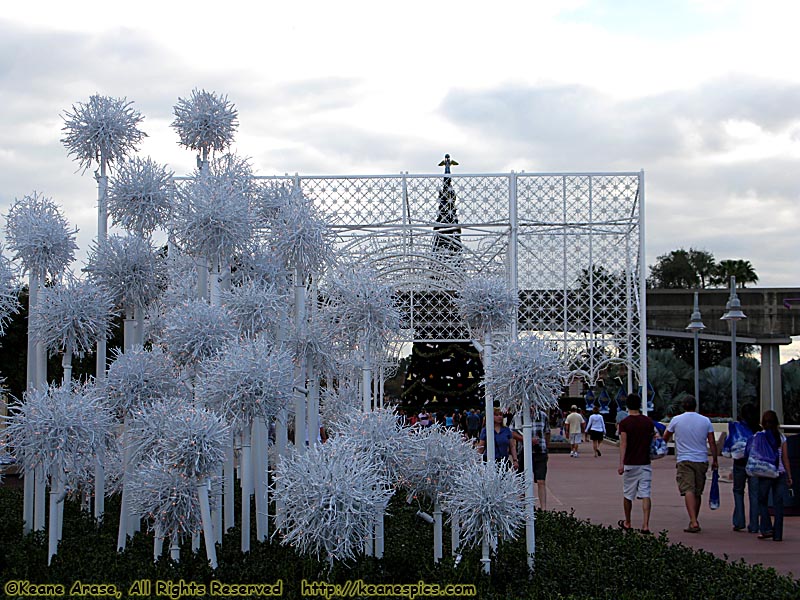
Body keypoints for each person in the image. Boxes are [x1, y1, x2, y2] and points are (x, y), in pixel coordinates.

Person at [663, 396, 718, 533]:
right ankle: (694, 519)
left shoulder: (676, 420)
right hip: (701, 459)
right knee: (698, 492)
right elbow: (711, 442)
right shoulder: (705, 421)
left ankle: (693, 521)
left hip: (684, 459)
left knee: (688, 489)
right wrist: (715, 460)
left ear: (683, 406)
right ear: (695, 405)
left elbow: (666, 436)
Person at [754, 410, 793, 541]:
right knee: (778, 504)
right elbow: (786, 458)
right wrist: (789, 476)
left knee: (762, 500)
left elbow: (756, 455)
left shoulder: (760, 436)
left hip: (765, 472)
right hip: (780, 472)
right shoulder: (782, 438)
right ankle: (778, 534)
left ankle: (766, 528)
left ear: (763, 423)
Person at [617, 393, 653, 533]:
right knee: (646, 493)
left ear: (627, 405)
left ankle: (628, 521)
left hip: (630, 462)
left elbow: (623, 444)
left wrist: (621, 464)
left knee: (627, 494)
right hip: (645, 462)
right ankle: (645, 525)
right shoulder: (648, 422)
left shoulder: (625, 423)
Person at [732, 402, 760, 533]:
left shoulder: (737, 427)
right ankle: (754, 524)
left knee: (738, 491)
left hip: (739, 463)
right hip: (754, 464)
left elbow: (730, 445)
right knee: (754, 494)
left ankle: (739, 521)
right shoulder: (758, 429)